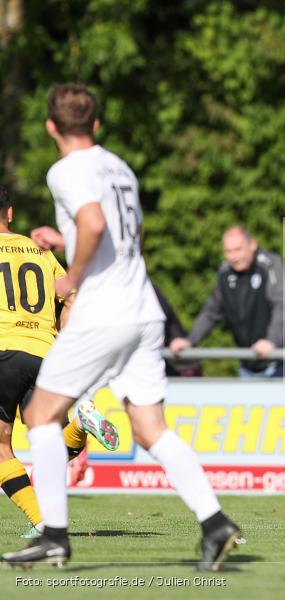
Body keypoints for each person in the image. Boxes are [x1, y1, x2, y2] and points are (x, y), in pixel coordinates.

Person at [2, 85, 240, 569]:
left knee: (43, 417)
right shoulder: (120, 168)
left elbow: (91, 225)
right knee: (152, 429)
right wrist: (64, 241)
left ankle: (53, 534)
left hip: (105, 311)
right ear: (97, 124)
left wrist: (71, 274)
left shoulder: (65, 169)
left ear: (51, 127)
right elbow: (125, 233)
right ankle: (215, 522)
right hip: (143, 308)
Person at [0, 186, 119, 539]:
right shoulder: (38, 251)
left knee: (2, 448)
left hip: (4, 351)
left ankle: (42, 524)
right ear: (10, 213)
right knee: (53, 442)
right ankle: (82, 424)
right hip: (45, 354)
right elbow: (71, 297)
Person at [31, 227, 202, 377]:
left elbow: (95, 228)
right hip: (144, 326)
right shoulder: (145, 287)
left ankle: (87, 407)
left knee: (45, 406)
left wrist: (70, 268)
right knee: (144, 406)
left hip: (121, 330)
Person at [169, 226, 285, 378]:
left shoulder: (269, 265)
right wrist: (190, 340)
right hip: (248, 363)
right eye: (228, 251)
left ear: (253, 245)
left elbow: (283, 307)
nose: (233, 256)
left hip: (279, 363)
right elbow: (211, 311)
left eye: (238, 249)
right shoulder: (225, 273)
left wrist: (271, 341)